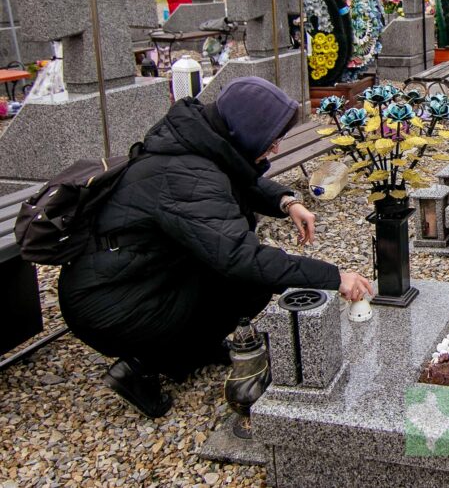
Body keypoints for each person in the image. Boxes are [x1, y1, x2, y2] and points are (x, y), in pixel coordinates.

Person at [57, 77, 373, 419]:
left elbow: (236, 175)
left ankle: (195, 346)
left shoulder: (197, 137)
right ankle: (140, 365)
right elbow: (240, 257)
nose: (276, 149)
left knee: (242, 282)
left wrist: (284, 201)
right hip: (113, 302)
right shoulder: (186, 174)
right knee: (248, 281)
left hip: (133, 274)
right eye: (272, 140)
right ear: (246, 131)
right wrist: (333, 276)